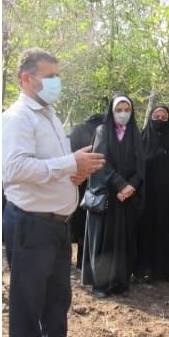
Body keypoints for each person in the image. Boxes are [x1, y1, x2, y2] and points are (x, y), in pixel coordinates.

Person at [3, 48, 104, 337]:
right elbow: (13, 170)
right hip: (31, 221)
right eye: (50, 77)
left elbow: (50, 164)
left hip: (57, 222)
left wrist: (72, 173)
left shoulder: (48, 114)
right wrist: (67, 165)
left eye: (58, 76)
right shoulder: (16, 118)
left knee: (58, 293)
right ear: (26, 79)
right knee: (28, 296)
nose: (56, 83)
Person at [82, 95, 145, 299]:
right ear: (112, 111)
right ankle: (102, 284)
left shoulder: (135, 133)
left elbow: (141, 166)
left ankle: (120, 281)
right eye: (120, 109)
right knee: (104, 241)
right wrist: (120, 184)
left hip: (126, 197)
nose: (123, 113)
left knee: (123, 240)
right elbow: (101, 162)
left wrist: (132, 186)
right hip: (108, 195)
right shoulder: (102, 131)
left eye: (127, 109)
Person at [137, 103, 169, 282]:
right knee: (146, 231)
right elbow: (138, 164)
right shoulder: (142, 139)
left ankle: (167, 270)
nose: (160, 120)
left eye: (164, 118)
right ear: (150, 119)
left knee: (167, 230)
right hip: (147, 196)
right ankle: (144, 268)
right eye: (156, 117)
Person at [69, 109, 106, 268]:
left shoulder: (77, 128)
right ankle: (85, 260)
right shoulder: (103, 130)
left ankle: (78, 260)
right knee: (89, 221)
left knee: (78, 219)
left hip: (77, 180)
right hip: (96, 182)